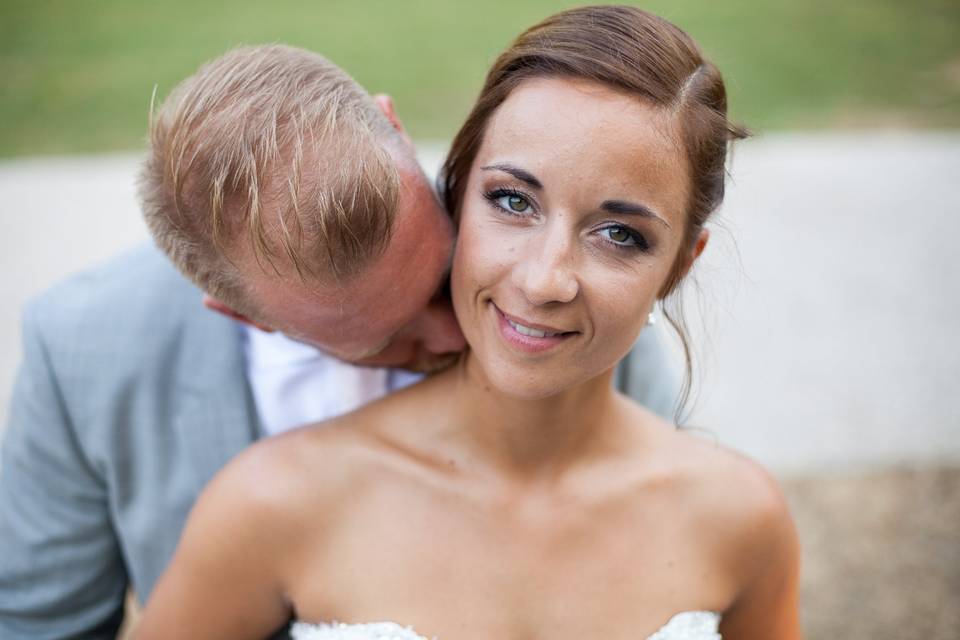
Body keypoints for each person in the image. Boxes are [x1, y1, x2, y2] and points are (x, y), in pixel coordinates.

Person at [136, 6, 801, 640]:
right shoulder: (274, 502)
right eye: (513, 201)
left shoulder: (741, 520)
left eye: (619, 234)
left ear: (681, 266)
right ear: (455, 190)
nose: (544, 280)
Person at [0, 44, 677, 639]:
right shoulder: (82, 351)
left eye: (440, 278)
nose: (452, 332)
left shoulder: (556, 301)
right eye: (387, 340)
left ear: (393, 125)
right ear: (244, 316)